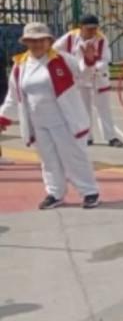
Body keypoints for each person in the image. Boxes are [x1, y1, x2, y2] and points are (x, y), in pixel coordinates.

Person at [0, 22, 101, 209]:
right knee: (48, 160)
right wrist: (3, 117)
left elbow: (85, 77)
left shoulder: (63, 59)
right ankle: (55, 193)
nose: (37, 44)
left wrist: (88, 61)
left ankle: (89, 191)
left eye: (41, 40)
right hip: (38, 123)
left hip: (65, 121)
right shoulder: (19, 65)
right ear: (26, 42)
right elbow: (13, 96)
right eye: (32, 40)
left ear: (49, 41)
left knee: (74, 157)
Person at [53, 15, 123, 148]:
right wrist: (68, 65)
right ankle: (87, 137)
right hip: (80, 79)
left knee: (104, 109)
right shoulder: (70, 37)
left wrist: (93, 64)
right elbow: (55, 51)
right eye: (89, 29)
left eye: (95, 29)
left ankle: (111, 137)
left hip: (98, 78)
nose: (92, 32)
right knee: (83, 109)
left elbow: (105, 59)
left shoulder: (101, 39)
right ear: (81, 27)